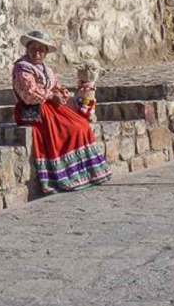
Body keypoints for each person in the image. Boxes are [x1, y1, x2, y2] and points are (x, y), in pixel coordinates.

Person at [12, 30, 113, 193]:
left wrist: (61, 93)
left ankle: (86, 173)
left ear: (45, 53)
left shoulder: (45, 69)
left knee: (82, 125)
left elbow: (56, 86)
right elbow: (29, 94)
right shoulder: (22, 68)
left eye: (41, 50)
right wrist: (51, 96)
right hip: (35, 109)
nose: (37, 53)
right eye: (33, 49)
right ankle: (67, 174)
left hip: (50, 107)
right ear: (27, 49)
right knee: (70, 129)